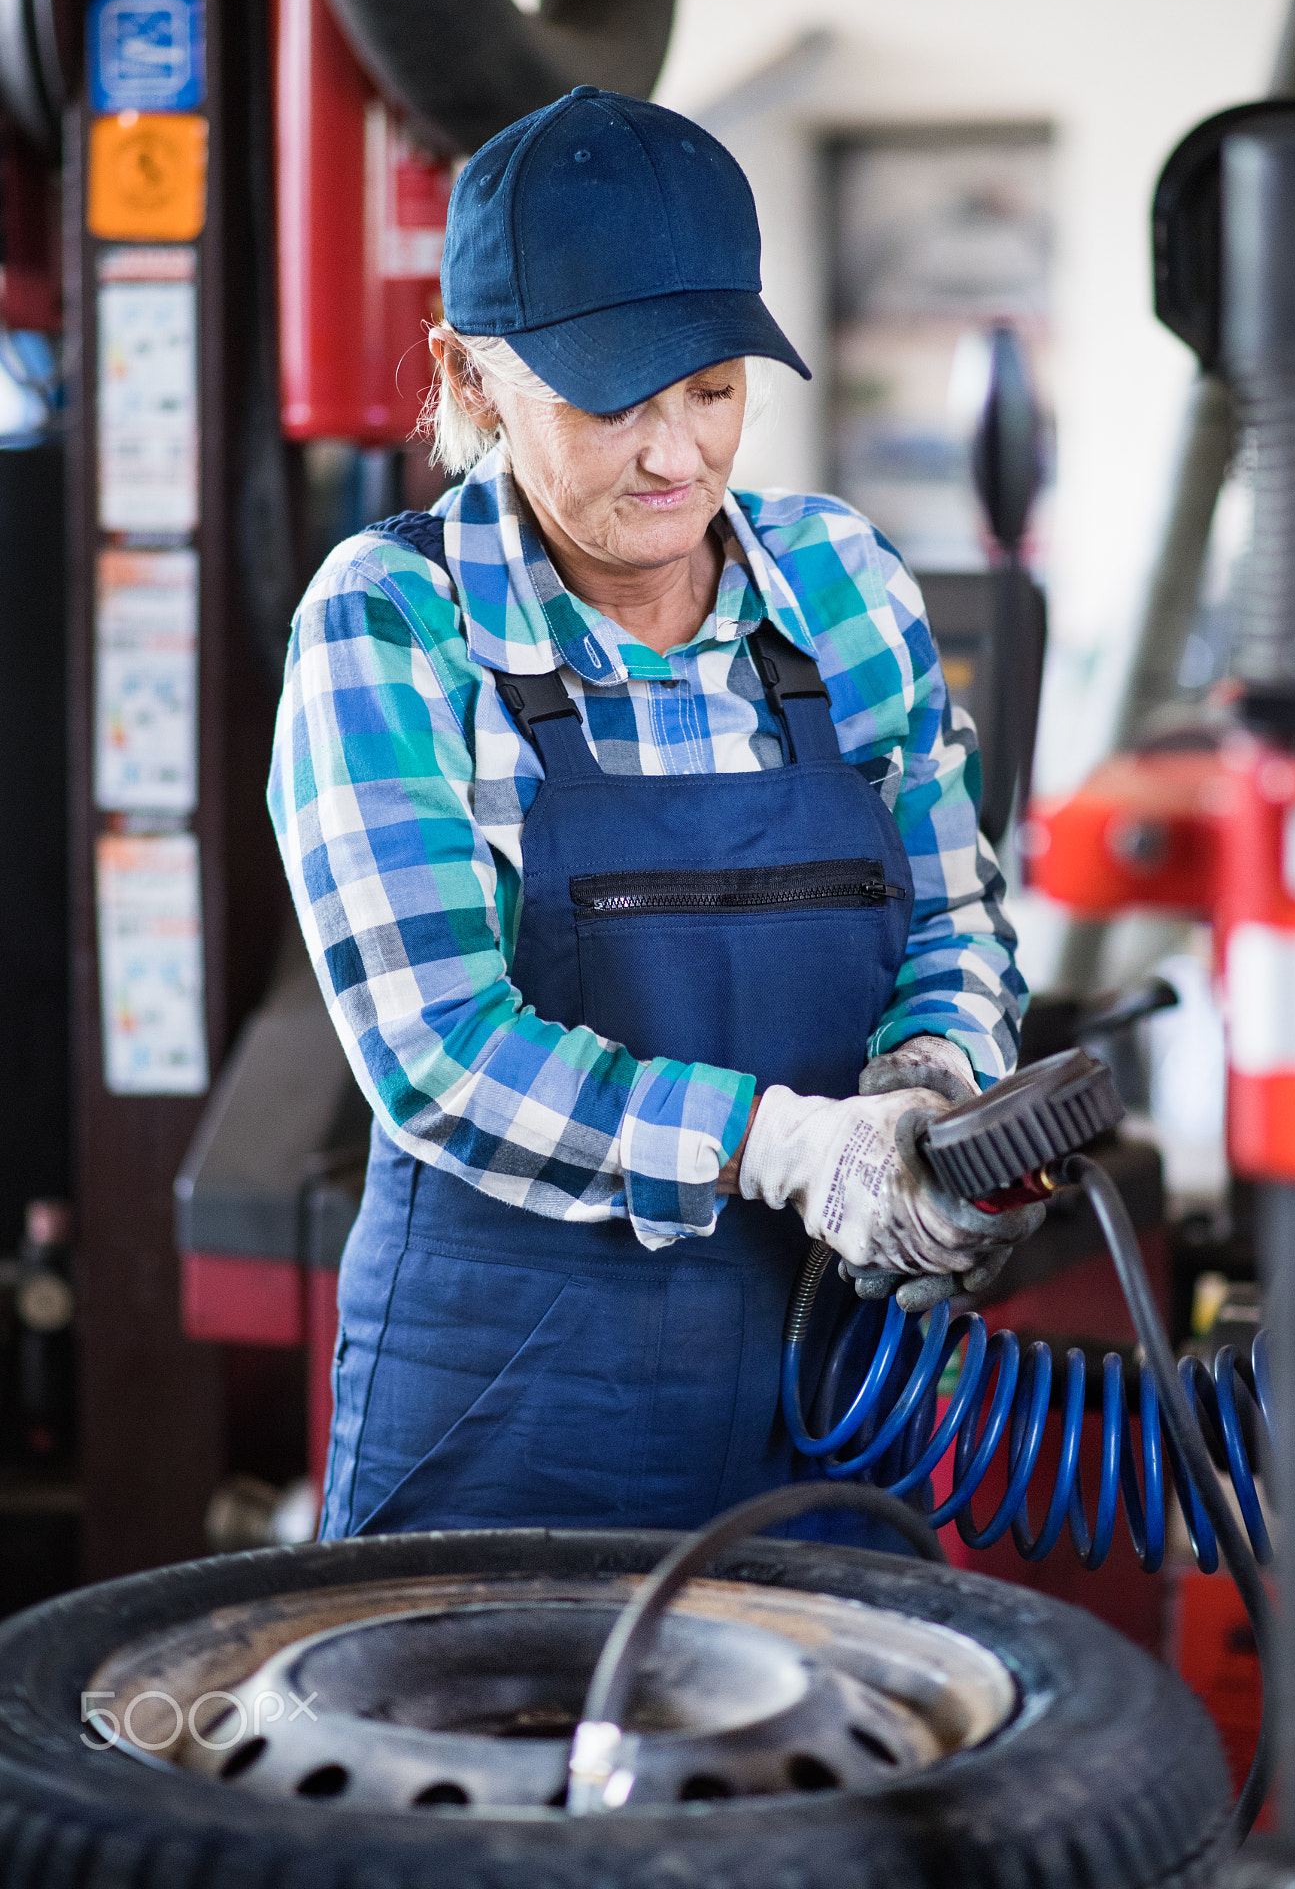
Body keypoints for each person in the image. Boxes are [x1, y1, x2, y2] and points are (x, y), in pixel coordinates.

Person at [268, 85, 1032, 1543]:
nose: (676, 456)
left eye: (713, 387)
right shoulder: (394, 623)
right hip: (509, 1408)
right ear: (470, 379)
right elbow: (437, 1051)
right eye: (612, 399)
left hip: (834, 1389)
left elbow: (952, 912)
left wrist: (929, 1088)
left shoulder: (842, 583)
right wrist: (783, 1148)